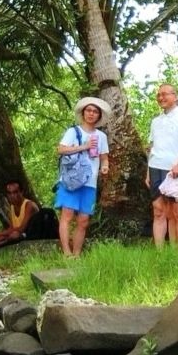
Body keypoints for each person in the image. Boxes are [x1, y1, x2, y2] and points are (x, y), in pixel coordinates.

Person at [56, 96, 111, 257]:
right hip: (71, 180)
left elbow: (104, 157)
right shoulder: (73, 132)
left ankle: (77, 254)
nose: (91, 114)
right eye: (88, 110)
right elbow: (61, 149)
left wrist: (105, 167)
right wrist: (84, 146)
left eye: (95, 111)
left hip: (90, 182)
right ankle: (66, 253)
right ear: (83, 113)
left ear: (99, 116)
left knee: (83, 219)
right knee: (67, 215)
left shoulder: (101, 136)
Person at [147, 83, 178, 249]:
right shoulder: (155, 121)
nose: (161, 97)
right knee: (158, 210)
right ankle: (160, 252)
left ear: (174, 96)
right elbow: (152, 148)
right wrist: (148, 172)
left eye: (165, 94)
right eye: (159, 95)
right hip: (156, 167)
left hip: (175, 168)